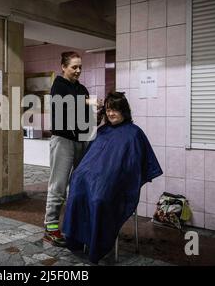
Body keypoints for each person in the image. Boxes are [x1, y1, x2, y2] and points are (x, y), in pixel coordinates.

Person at [62, 91, 163, 263]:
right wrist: (80, 175)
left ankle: (97, 245)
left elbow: (132, 168)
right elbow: (90, 160)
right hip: (94, 180)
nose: (110, 113)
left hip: (117, 185)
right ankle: (78, 241)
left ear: (124, 111)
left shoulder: (134, 134)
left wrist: (110, 178)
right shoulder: (102, 132)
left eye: (115, 110)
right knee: (77, 193)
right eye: (108, 110)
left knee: (98, 199)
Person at [43, 51, 99, 247]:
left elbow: (88, 116)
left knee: (78, 184)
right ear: (64, 67)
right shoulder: (58, 86)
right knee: (58, 185)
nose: (78, 70)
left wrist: (98, 115)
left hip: (81, 140)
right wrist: (88, 102)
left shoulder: (82, 88)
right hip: (63, 141)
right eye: (74, 67)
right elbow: (64, 105)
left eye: (80, 67)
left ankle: (75, 225)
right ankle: (50, 227)